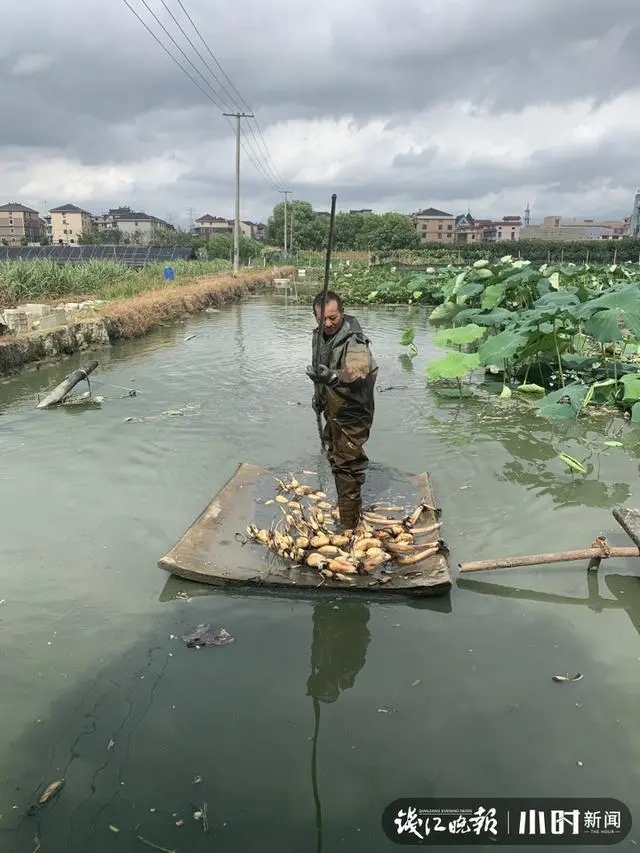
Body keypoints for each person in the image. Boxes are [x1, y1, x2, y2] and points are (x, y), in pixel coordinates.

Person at [305, 290, 378, 532]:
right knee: (336, 457)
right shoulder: (319, 336)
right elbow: (320, 371)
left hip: (353, 411)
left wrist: (334, 377)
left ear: (342, 314)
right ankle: (348, 505)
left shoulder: (355, 341)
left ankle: (348, 526)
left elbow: (357, 370)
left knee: (347, 465)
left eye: (332, 318)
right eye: (322, 319)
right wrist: (318, 396)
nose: (327, 324)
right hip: (332, 408)